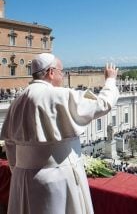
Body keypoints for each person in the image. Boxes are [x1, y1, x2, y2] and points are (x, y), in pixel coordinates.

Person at [0, 53, 119, 214]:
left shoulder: (17, 102)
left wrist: (21, 170)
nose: (63, 76)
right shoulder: (60, 95)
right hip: (57, 180)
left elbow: (10, 144)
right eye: (61, 71)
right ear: (51, 72)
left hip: (22, 180)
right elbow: (103, 104)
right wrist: (110, 80)